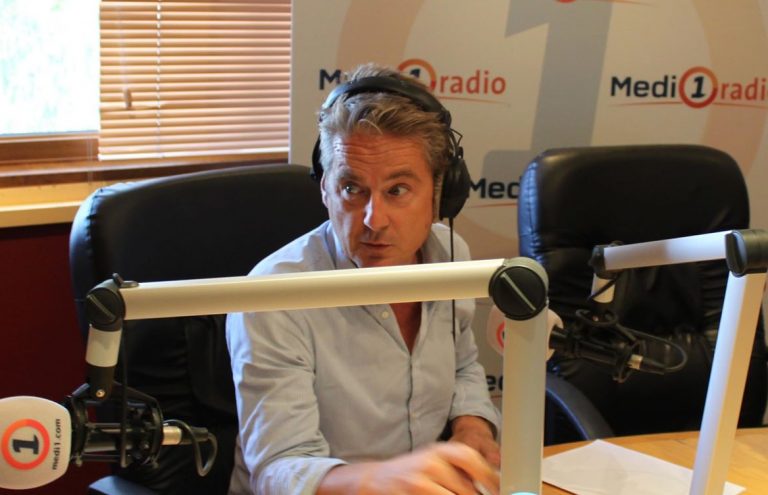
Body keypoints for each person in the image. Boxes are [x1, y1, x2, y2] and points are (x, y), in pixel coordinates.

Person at [226, 63, 501, 495]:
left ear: (439, 193)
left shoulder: (451, 258)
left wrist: (472, 426)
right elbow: (278, 469)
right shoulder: (272, 295)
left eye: (397, 190)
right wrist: (380, 478)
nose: (374, 219)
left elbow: (463, 365)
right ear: (325, 188)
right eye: (352, 189)